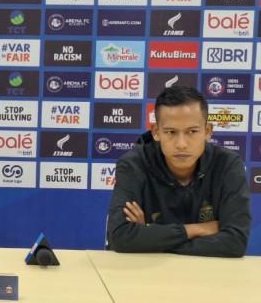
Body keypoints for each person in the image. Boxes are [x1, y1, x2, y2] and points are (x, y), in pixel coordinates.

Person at [106, 85, 250, 257]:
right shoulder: (134, 164)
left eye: (192, 131)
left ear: (207, 131)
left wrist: (150, 236)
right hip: (145, 270)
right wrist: (195, 230)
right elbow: (121, 237)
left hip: (207, 271)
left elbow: (235, 243)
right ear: (156, 132)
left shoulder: (228, 164)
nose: (181, 144)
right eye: (171, 132)